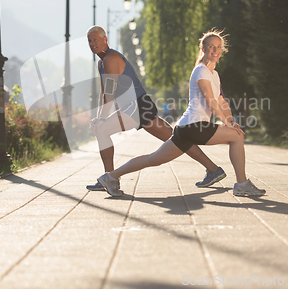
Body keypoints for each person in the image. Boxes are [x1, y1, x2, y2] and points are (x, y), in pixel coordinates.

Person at [97, 28, 266, 197]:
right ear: (203, 49)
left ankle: (111, 176)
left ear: (222, 50)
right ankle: (242, 184)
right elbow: (211, 102)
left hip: (186, 128)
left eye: (219, 47)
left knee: (154, 159)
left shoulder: (214, 74)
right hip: (195, 126)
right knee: (237, 137)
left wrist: (230, 121)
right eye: (211, 47)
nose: (215, 50)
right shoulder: (201, 71)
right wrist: (229, 125)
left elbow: (221, 101)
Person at [86, 25, 226, 192]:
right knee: (177, 139)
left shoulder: (110, 58)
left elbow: (109, 92)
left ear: (105, 40)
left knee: (102, 130)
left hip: (136, 107)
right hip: (138, 106)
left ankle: (109, 178)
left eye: (95, 39)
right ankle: (213, 169)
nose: (92, 43)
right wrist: (98, 116)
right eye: (89, 41)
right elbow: (105, 93)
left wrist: (101, 119)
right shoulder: (102, 63)